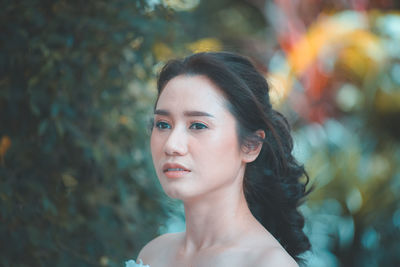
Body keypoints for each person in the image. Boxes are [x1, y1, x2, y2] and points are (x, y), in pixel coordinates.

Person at [130, 52, 311, 267]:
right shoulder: (153, 254)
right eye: (163, 124)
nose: (171, 145)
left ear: (251, 145)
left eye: (197, 125)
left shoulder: (267, 263)